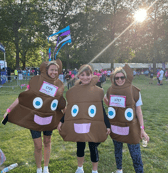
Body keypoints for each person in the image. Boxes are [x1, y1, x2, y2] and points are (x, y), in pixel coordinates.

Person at [3, 60, 66, 173]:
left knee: (47, 142)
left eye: (56, 70)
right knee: (38, 146)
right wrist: (9, 110)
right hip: (35, 118)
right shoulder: (37, 82)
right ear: (47, 70)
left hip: (49, 119)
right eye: (52, 70)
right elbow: (22, 97)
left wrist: (66, 116)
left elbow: (60, 103)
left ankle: (46, 168)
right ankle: (38, 168)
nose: (54, 72)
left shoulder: (59, 85)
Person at [57, 64, 110, 173]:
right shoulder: (74, 91)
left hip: (92, 123)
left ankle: (94, 170)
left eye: (88, 75)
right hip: (80, 122)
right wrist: (62, 121)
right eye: (82, 75)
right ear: (78, 76)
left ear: (92, 75)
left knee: (93, 146)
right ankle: (80, 168)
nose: (85, 77)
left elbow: (101, 109)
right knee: (80, 145)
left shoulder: (97, 91)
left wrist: (107, 124)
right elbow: (70, 109)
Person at [104, 64, 149, 173]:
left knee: (135, 154)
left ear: (126, 77)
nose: (119, 80)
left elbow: (139, 111)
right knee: (117, 150)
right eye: (117, 78)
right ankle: (119, 170)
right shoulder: (111, 90)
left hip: (131, 128)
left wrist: (142, 129)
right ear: (114, 79)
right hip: (116, 126)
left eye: (122, 77)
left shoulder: (134, 90)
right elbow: (107, 100)